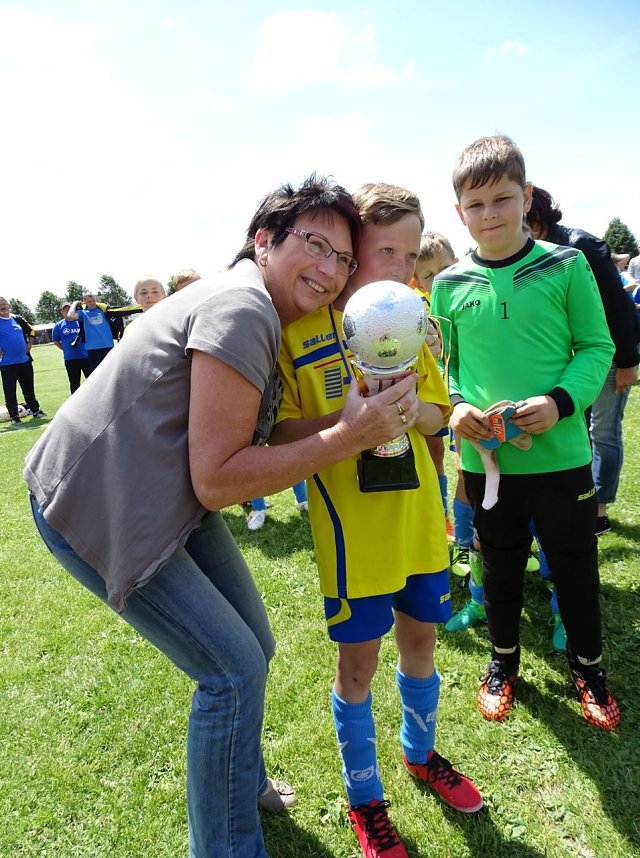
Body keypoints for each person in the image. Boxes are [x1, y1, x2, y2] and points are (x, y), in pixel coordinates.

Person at [23, 174, 426, 858]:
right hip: (98, 499)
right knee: (231, 670)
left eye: (343, 260)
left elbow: (252, 444)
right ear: (264, 241)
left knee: (252, 649)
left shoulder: (261, 310)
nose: (330, 272)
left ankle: (238, 781)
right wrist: (348, 437)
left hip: (159, 493)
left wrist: (354, 418)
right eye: (314, 245)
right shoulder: (242, 308)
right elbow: (217, 481)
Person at [272, 182, 483, 858]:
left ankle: (420, 755)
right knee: (357, 668)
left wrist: (407, 408)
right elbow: (276, 436)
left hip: (419, 524)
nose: (397, 267)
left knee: (421, 646)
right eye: (382, 251)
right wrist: (348, 422)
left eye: (408, 253)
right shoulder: (300, 331)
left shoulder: (416, 316)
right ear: (348, 255)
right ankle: (365, 799)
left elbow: (438, 413)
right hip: (351, 539)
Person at [432, 135, 620, 733]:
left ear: (526, 197)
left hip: (562, 456)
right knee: (501, 565)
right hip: (489, 463)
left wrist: (559, 401)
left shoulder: (566, 265)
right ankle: (503, 662)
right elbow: (449, 366)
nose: (490, 215)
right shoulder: (448, 284)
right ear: (459, 210)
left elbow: (597, 346)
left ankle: (589, 670)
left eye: (502, 200)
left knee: (574, 565)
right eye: (476, 204)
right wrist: (457, 406)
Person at [526, 187, 640, 535]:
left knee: (603, 431)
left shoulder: (581, 247)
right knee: (579, 429)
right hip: (570, 360)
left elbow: (616, 307)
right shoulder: (535, 253)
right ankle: (579, 499)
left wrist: (627, 360)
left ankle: (599, 511)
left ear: (538, 216)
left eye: (526, 222)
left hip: (605, 354)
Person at [410, 232, 458, 540]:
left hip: (461, 391)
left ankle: (470, 526)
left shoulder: (471, 291)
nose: (438, 279)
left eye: (443, 269)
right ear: (416, 281)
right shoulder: (414, 306)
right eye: (429, 274)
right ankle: (439, 517)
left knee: (460, 458)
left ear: (456, 262)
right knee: (431, 454)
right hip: (429, 394)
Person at [67, 290, 141, 371]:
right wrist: (75, 303)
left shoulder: (104, 311)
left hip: (108, 346)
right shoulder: (83, 313)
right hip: (92, 348)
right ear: (84, 302)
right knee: (96, 374)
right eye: (89, 301)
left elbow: (123, 310)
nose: (92, 303)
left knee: (112, 372)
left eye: (93, 301)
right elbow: (70, 316)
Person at [0, 296, 46, 425]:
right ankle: (14, 416)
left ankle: (36, 411)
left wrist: (30, 343)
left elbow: (31, 330)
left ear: (9, 306)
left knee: (29, 389)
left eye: (4, 304)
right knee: (10, 391)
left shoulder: (18, 319)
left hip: (24, 361)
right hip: (7, 363)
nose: (2, 306)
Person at [51, 301, 91, 394]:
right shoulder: (58, 326)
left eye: (69, 309)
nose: (67, 311)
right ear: (61, 311)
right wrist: (65, 349)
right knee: (74, 383)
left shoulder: (80, 322)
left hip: (86, 356)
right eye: (65, 310)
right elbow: (56, 341)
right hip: (71, 359)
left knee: (91, 381)